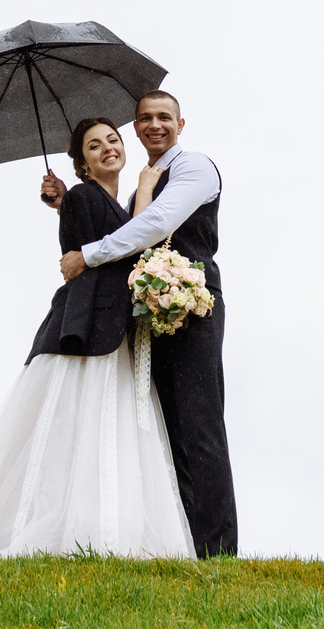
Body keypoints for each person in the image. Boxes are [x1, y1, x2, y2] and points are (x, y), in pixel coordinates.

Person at [0, 116, 195, 557]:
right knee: (75, 420)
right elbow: (131, 244)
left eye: (113, 140)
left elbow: (112, 233)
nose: (108, 148)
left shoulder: (99, 200)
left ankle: (101, 528)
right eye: (94, 146)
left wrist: (66, 204)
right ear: (82, 164)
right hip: (86, 328)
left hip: (113, 330)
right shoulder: (84, 195)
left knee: (108, 425)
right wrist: (137, 191)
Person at [39, 90, 236, 559]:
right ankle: (189, 546)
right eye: (145, 118)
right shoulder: (136, 191)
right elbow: (121, 228)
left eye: (164, 117)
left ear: (180, 125)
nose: (154, 125)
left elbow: (155, 225)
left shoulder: (194, 168)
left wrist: (87, 254)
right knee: (168, 430)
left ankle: (220, 551)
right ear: (136, 127)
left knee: (201, 427)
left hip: (194, 308)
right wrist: (69, 202)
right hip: (148, 316)